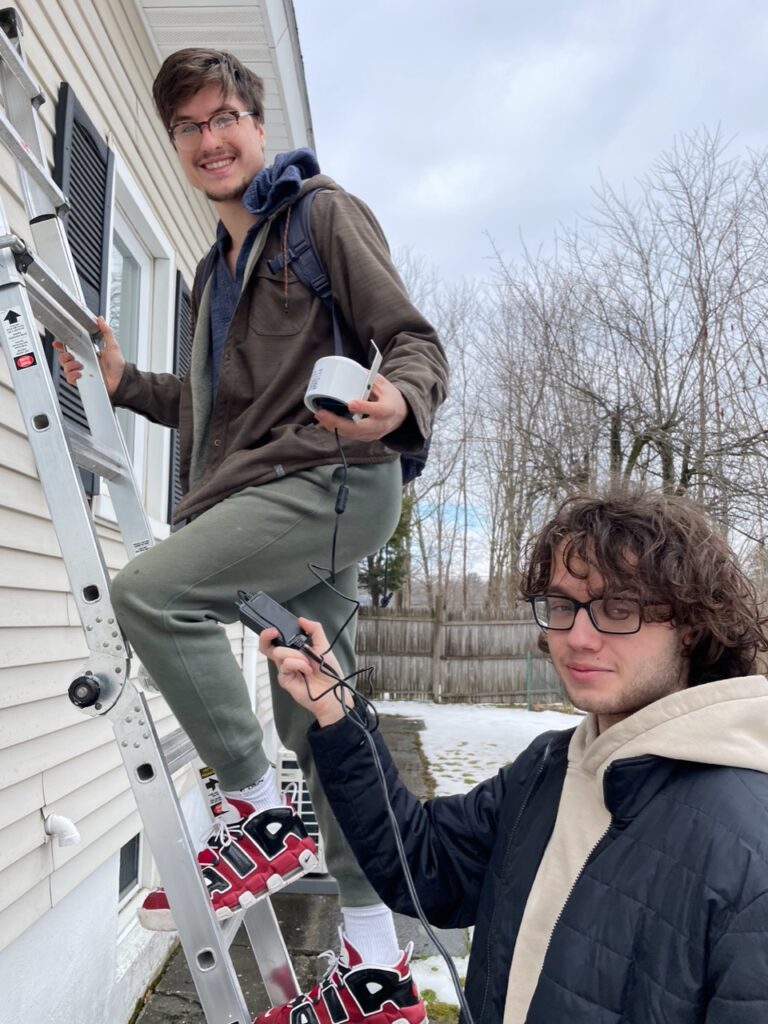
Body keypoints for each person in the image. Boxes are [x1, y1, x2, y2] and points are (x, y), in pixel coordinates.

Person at [54, 47, 446, 1019]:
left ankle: (253, 808)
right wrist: (122, 387)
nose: (207, 140)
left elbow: (413, 339)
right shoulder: (207, 271)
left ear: (257, 125)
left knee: (149, 591)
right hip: (272, 496)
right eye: (186, 127)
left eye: (223, 117)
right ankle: (372, 966)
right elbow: (215, 407)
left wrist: (396, 399)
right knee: (325, 729)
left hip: (332, 482)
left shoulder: (317, 218)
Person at [264, 488, 768, 1024]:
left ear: (690, 625)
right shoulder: (552, 768)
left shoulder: (748, 841)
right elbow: (425, 865)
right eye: (561, 606)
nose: (577, 637)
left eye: (619, 608)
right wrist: (337, 715)